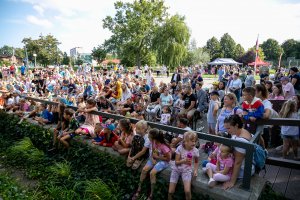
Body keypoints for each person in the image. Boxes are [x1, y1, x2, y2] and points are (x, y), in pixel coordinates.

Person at [132, 128, 171, 200]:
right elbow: (154, 151)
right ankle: (139, 189)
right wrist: (153, 158)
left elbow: (169, 159)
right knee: (144, 170)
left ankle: (151, 194)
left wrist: (158, 157)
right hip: (155, 158)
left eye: (149, 137)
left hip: (164, 161)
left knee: (152, 173)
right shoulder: (153, 142)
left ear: (154, 138)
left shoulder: (164, 147)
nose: (148, 138)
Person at [223, 115, 255, 190]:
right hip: (248, 165)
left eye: (228, 128)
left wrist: (232, 182)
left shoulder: (241, 141)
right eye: (226, 128)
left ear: (236, 125)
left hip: (244, 170)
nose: (227, 131)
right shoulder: (243, 130)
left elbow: (238, 163)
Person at [168, 131, 199, 200]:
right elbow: (176, 162)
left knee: (187, 191)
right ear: (185, 141)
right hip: (176, 170)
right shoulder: (180, 148)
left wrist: (196, 170)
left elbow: (196, 162)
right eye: (192, 141)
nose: (194, 143)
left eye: (195, 141)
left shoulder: (195, 151)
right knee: (170, 191)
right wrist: (184, 160)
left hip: (186, 171)